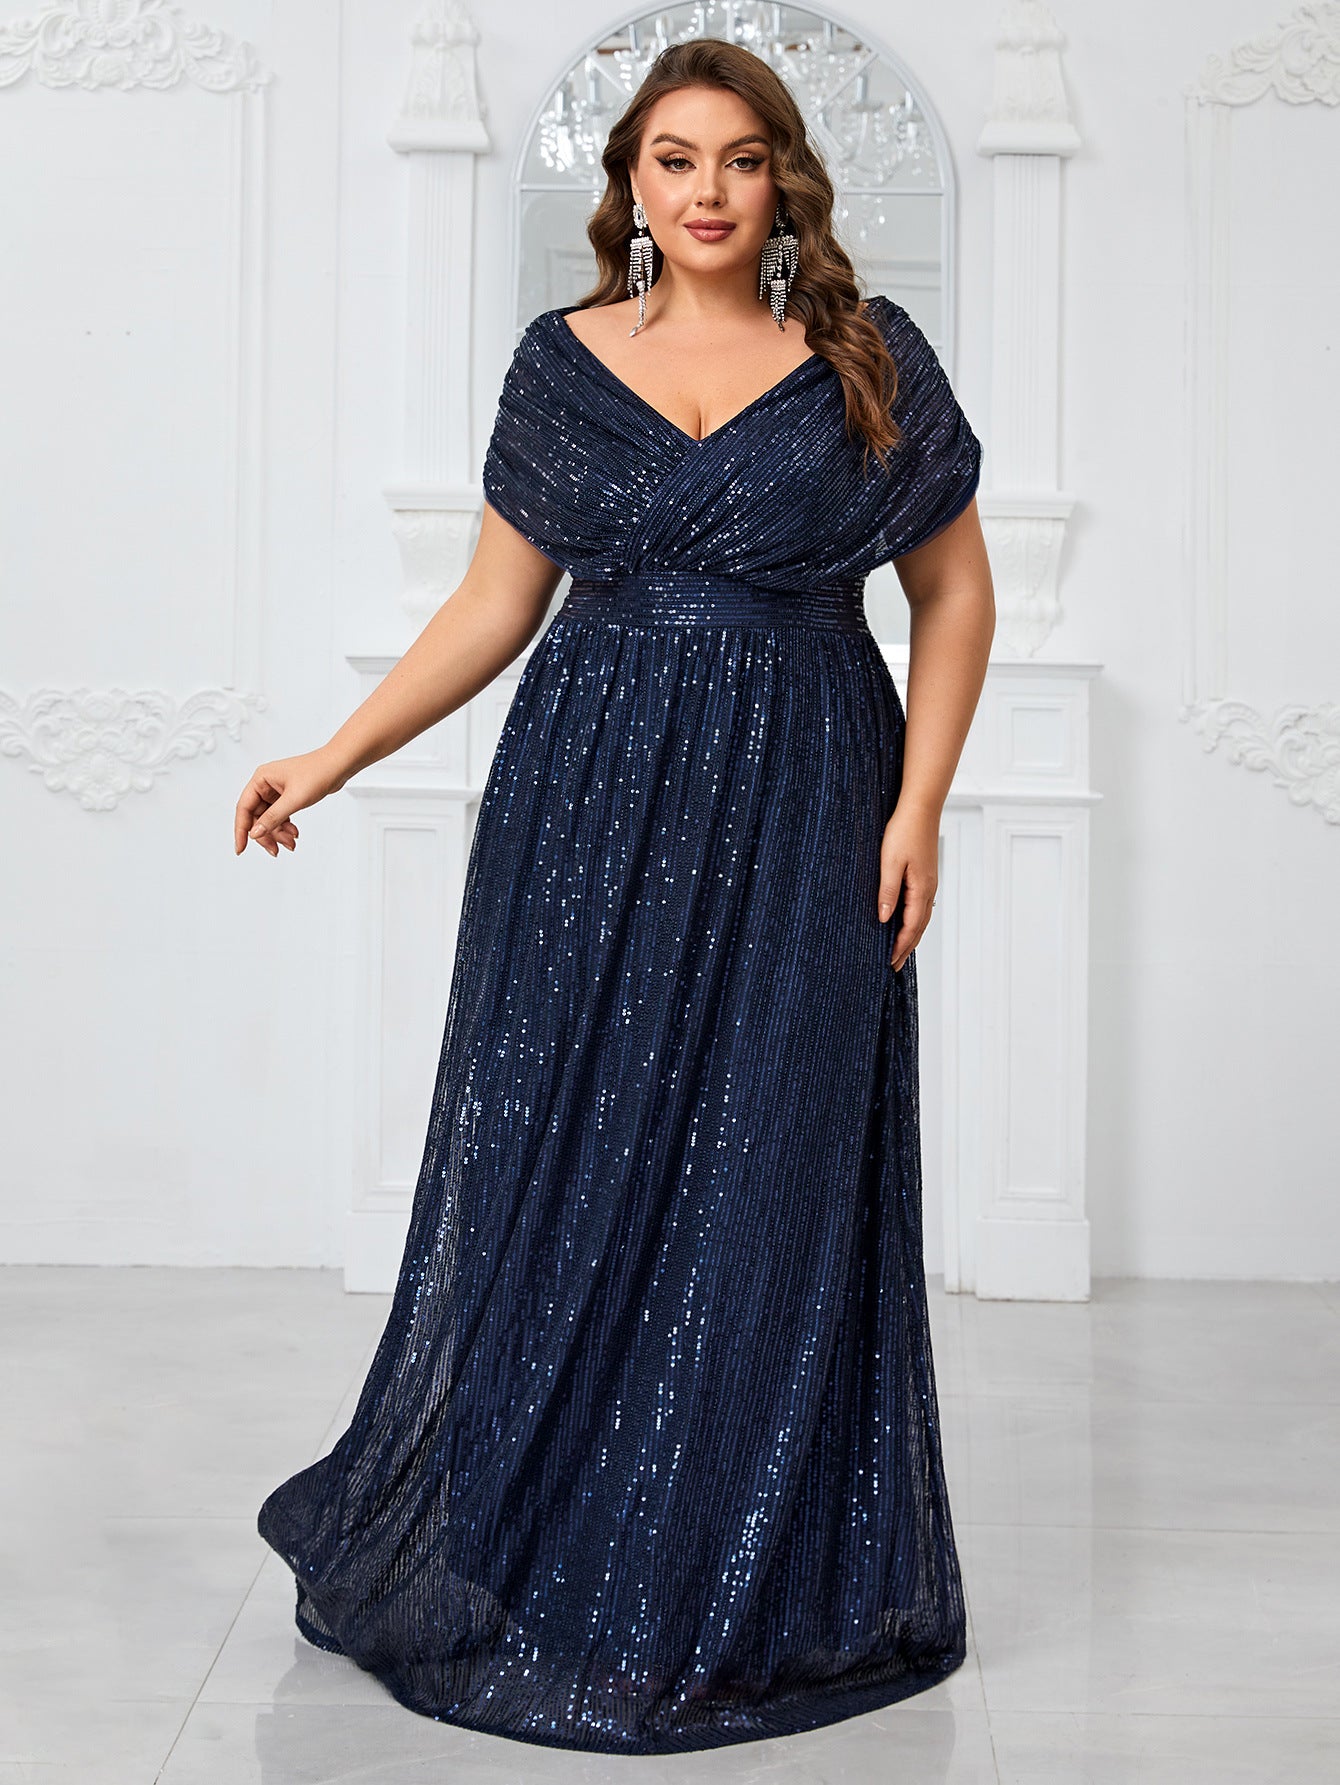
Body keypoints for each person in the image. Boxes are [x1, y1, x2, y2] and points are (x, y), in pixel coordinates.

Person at [237, 37, 994, 1759]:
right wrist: (332, 755)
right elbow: (494, 605)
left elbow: (953, 594)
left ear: (783, 181)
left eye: (739, 158)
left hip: (813, 801)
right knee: (565, 1157)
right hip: (586, 807)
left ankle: (733, 1575)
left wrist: (923, 802)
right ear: (632, 187)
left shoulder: (866, 357)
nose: (707, 189)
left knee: (770, 1173)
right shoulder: (562, 362)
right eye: (674, 159)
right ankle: (553, 1550)